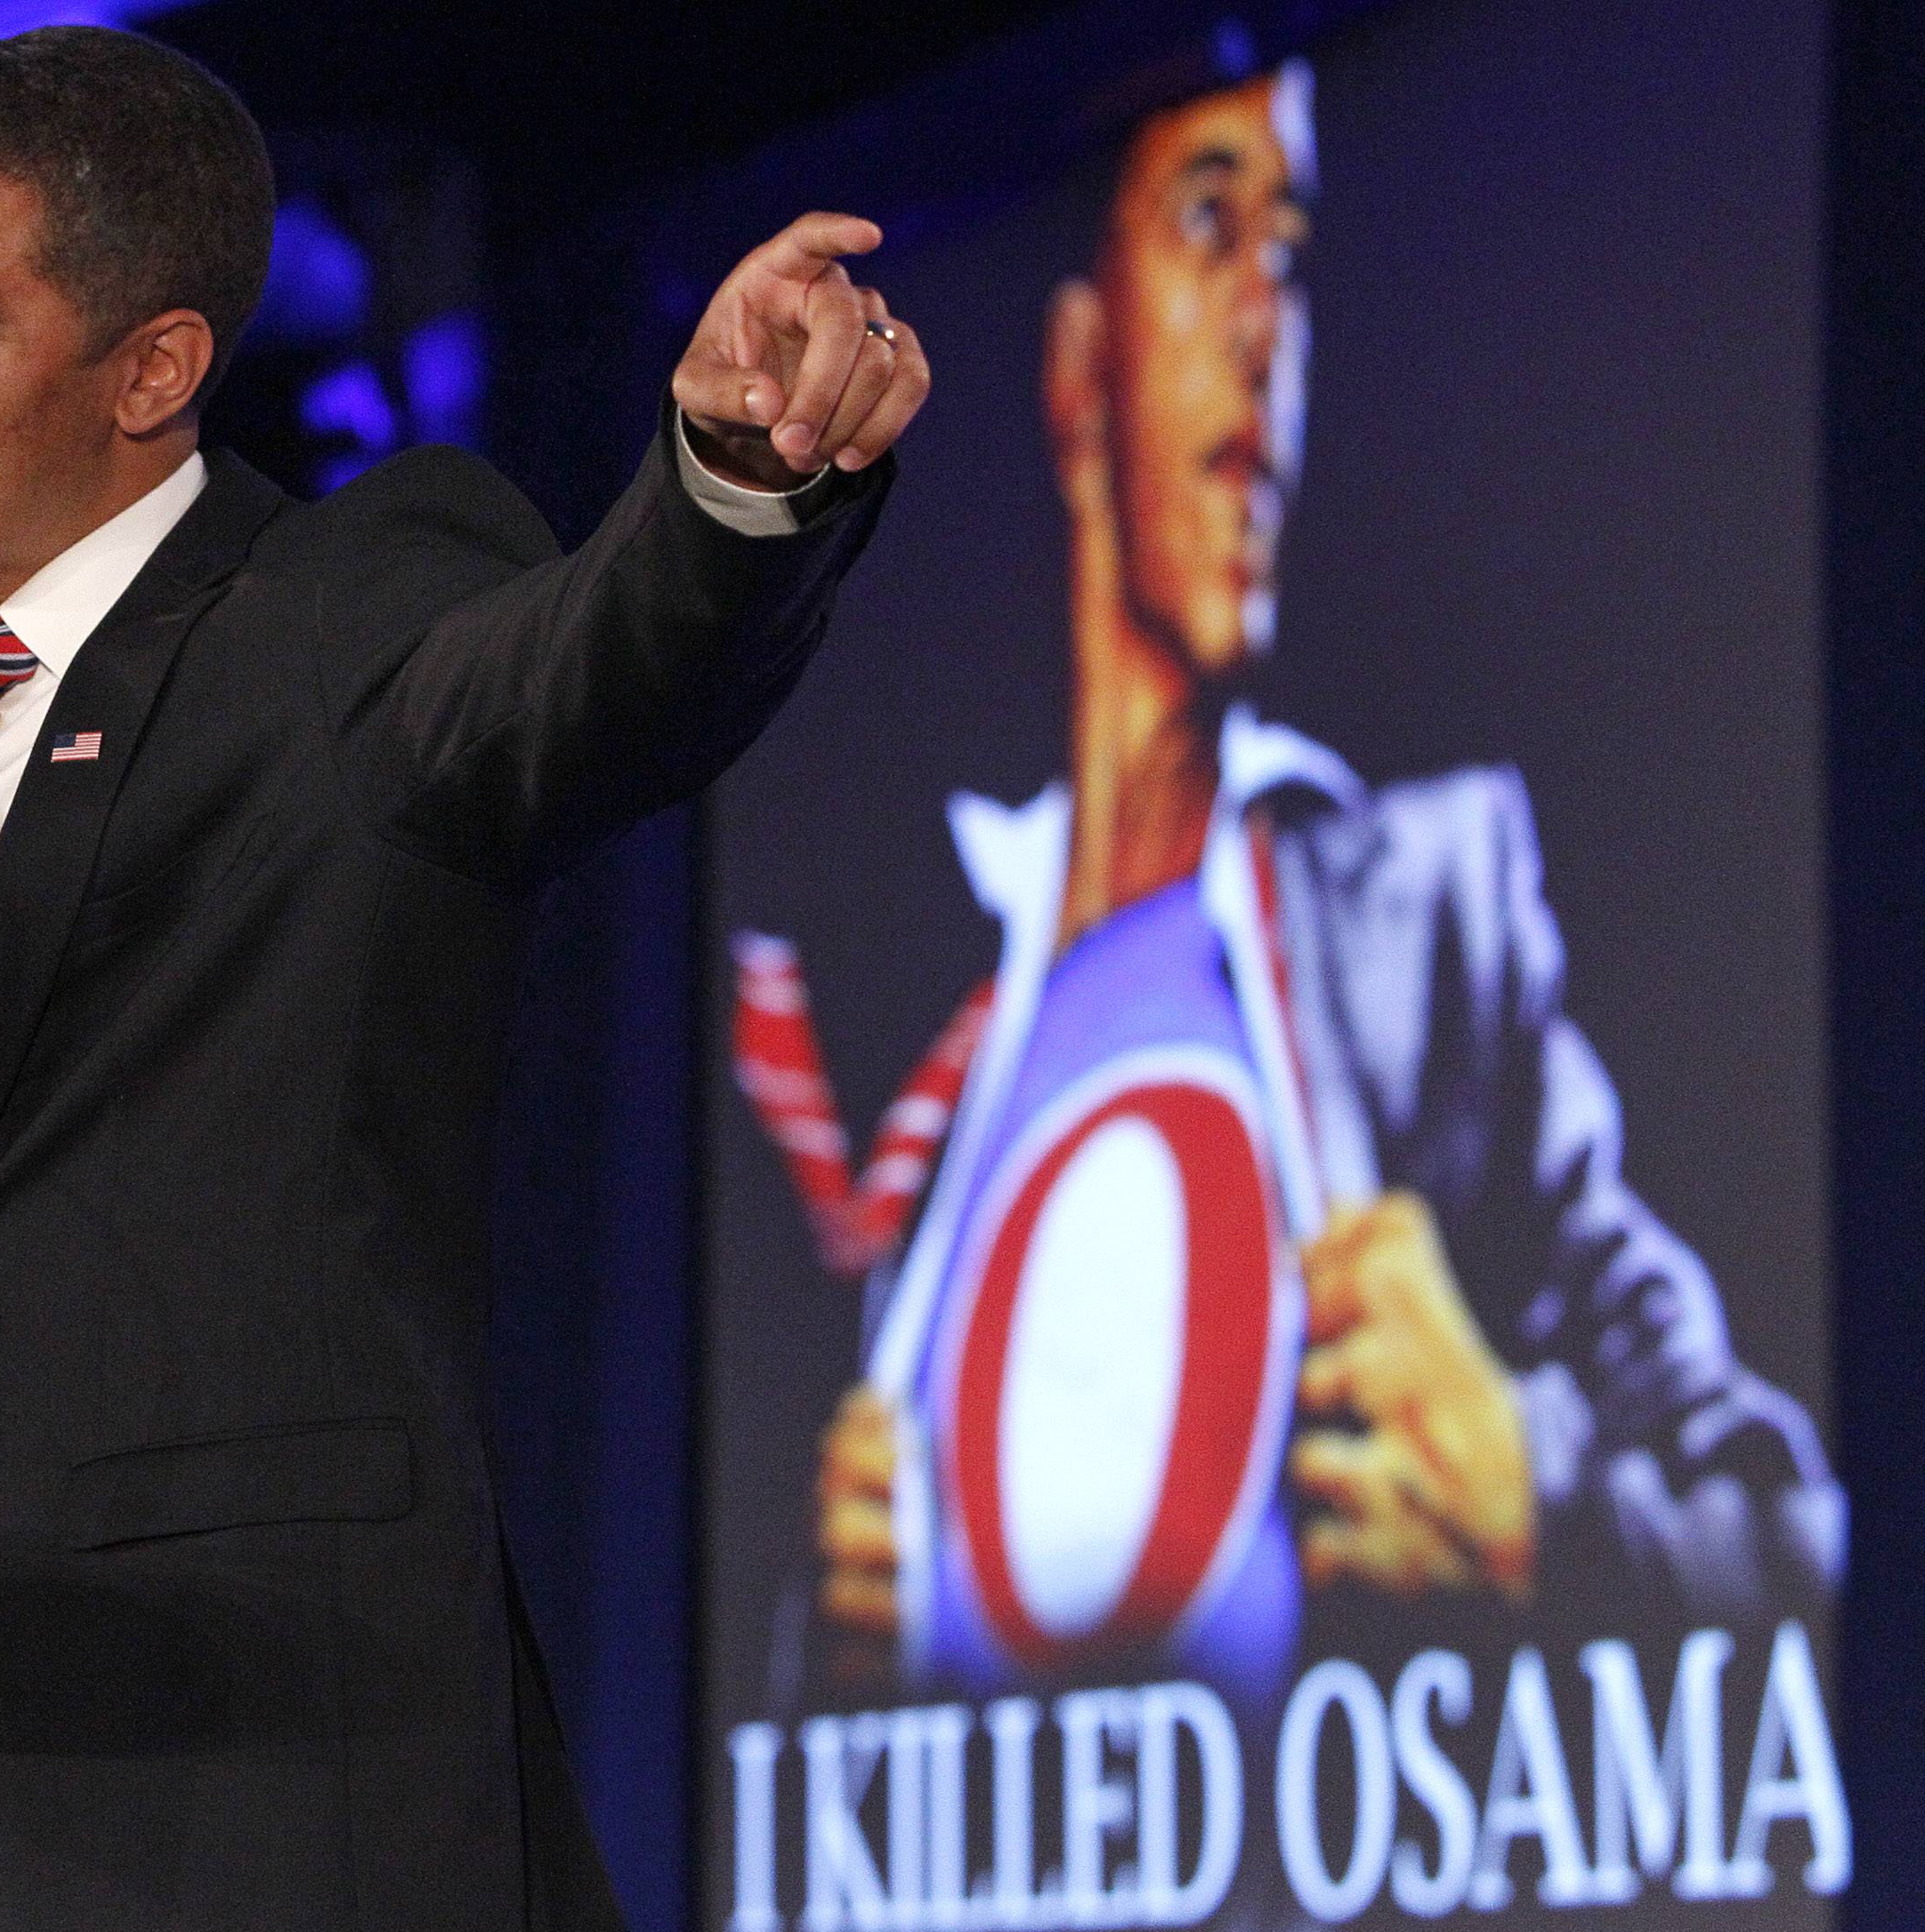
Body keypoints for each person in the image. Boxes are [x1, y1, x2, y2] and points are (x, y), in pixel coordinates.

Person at [0, 27, 926, 1932]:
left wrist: (727, 491)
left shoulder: (337, 617)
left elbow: (575, 677)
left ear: (153, 369)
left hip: (258, 1826)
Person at [751, 62, 1840, 1707]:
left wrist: (1534, 1500)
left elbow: (1793, 1531)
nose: (1268, 327)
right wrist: (821, 1657)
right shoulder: (921, 999)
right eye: (1208, 225)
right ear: (1079, 370)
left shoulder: (1421, 923)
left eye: (1292, 254)